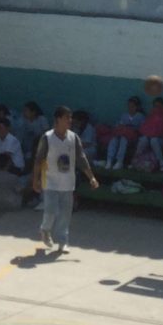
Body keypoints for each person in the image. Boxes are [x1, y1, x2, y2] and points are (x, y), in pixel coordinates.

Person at [32, 104, 100, 254]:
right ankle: (45, 229)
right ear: (58, 119)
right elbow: (38, 160)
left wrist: (91, 177)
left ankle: (63, 242)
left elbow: (81, 158)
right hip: (50, 181)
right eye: (67, 117)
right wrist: (35, 180)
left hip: (68, 182)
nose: (70, 120)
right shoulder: (47, 138)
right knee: (50, 210)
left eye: (71, 117)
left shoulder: (73, 137)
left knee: (65, 214)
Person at [101, 95, 146, 169]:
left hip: (133, 138)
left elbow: (142, 130)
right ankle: (109, 160)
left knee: (123, 140)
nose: (130, 108)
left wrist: (131, 129)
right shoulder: (124, 115)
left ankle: (119, 161)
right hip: (121, 134)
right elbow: (118, 125)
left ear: (137, 107)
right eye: (129, 106)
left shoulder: (140, 117)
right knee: (114, 140)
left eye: (132, 106)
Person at [135, 96, 163, 170]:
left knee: (154, 140)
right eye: (155, 106)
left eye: (159, 106)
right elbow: (145, 129)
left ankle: (161, 163)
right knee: (143, 139)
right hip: (150, 139)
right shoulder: (152, 115)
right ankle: (136, 159)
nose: (157, 108)